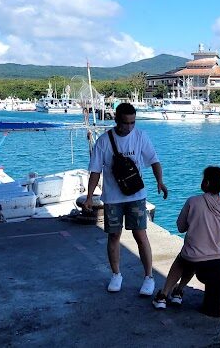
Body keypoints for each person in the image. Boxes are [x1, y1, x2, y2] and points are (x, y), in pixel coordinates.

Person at [85, 102, 168, 296]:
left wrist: (160, 182)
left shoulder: (141, 136)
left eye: (133, 122)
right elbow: (95, 171)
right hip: (113, 197)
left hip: (136, 196)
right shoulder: (104, 141)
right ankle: (116, 274)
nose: (129, 127)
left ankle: (148, 277)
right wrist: (89, 196)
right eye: (125, 123)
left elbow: (154, 160)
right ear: (116, 120)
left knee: (141, 235)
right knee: (114, 236)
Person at [152, 166, 220, 309]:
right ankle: (179, 291)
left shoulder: (193, 201)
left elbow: (181, 227)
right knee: (196, 254)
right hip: (218, 257)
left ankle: (163, 295)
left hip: (194, 256)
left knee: (186, 258)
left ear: (206, 182)